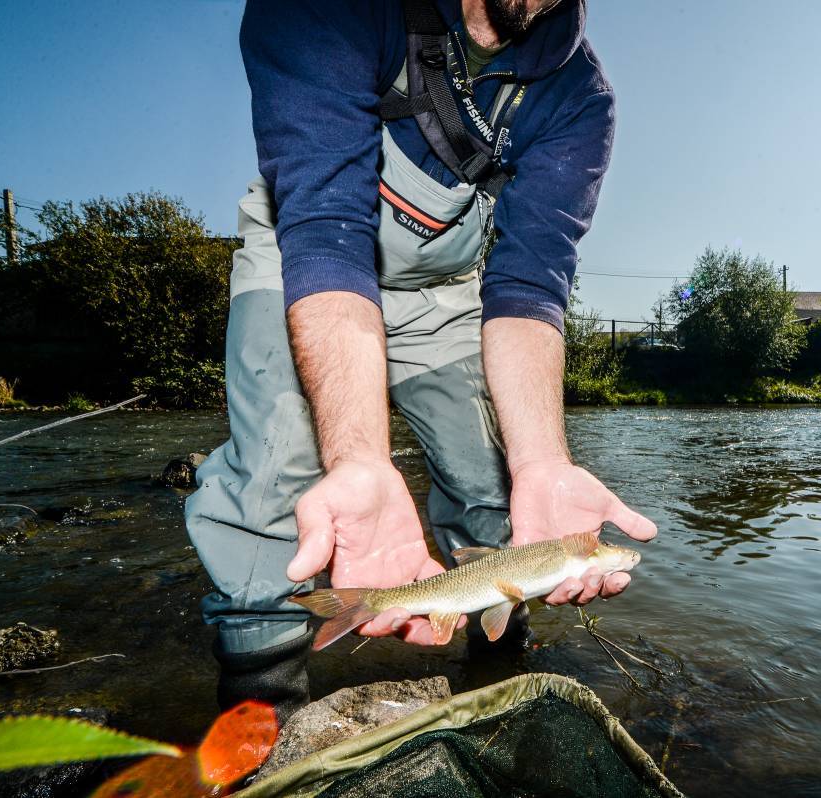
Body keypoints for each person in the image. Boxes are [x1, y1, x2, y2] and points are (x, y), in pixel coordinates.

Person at [185, 0, 657, 722]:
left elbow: (529, 284)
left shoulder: (580, 99)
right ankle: (259, 707)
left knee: (489, 484)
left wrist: (543, 462)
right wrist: (362, 459)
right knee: (271, 485)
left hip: (445, 291)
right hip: (305, 254)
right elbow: (323, 223)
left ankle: (498, 678)